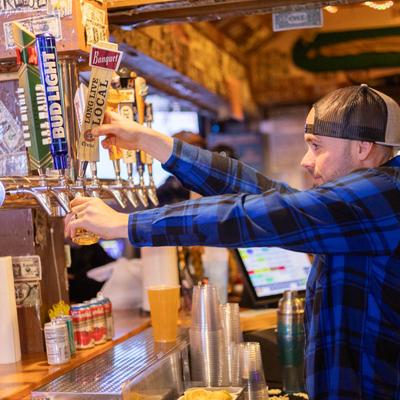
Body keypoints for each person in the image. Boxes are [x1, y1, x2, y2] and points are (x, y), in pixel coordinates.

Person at [65, 84, 400, 400]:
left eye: (317, 146)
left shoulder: (386, 196)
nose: (305, 161)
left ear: (362, 148)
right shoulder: (360, 207)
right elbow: (257, 190)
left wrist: (128, 223)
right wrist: (150, 141)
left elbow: (254, 213)